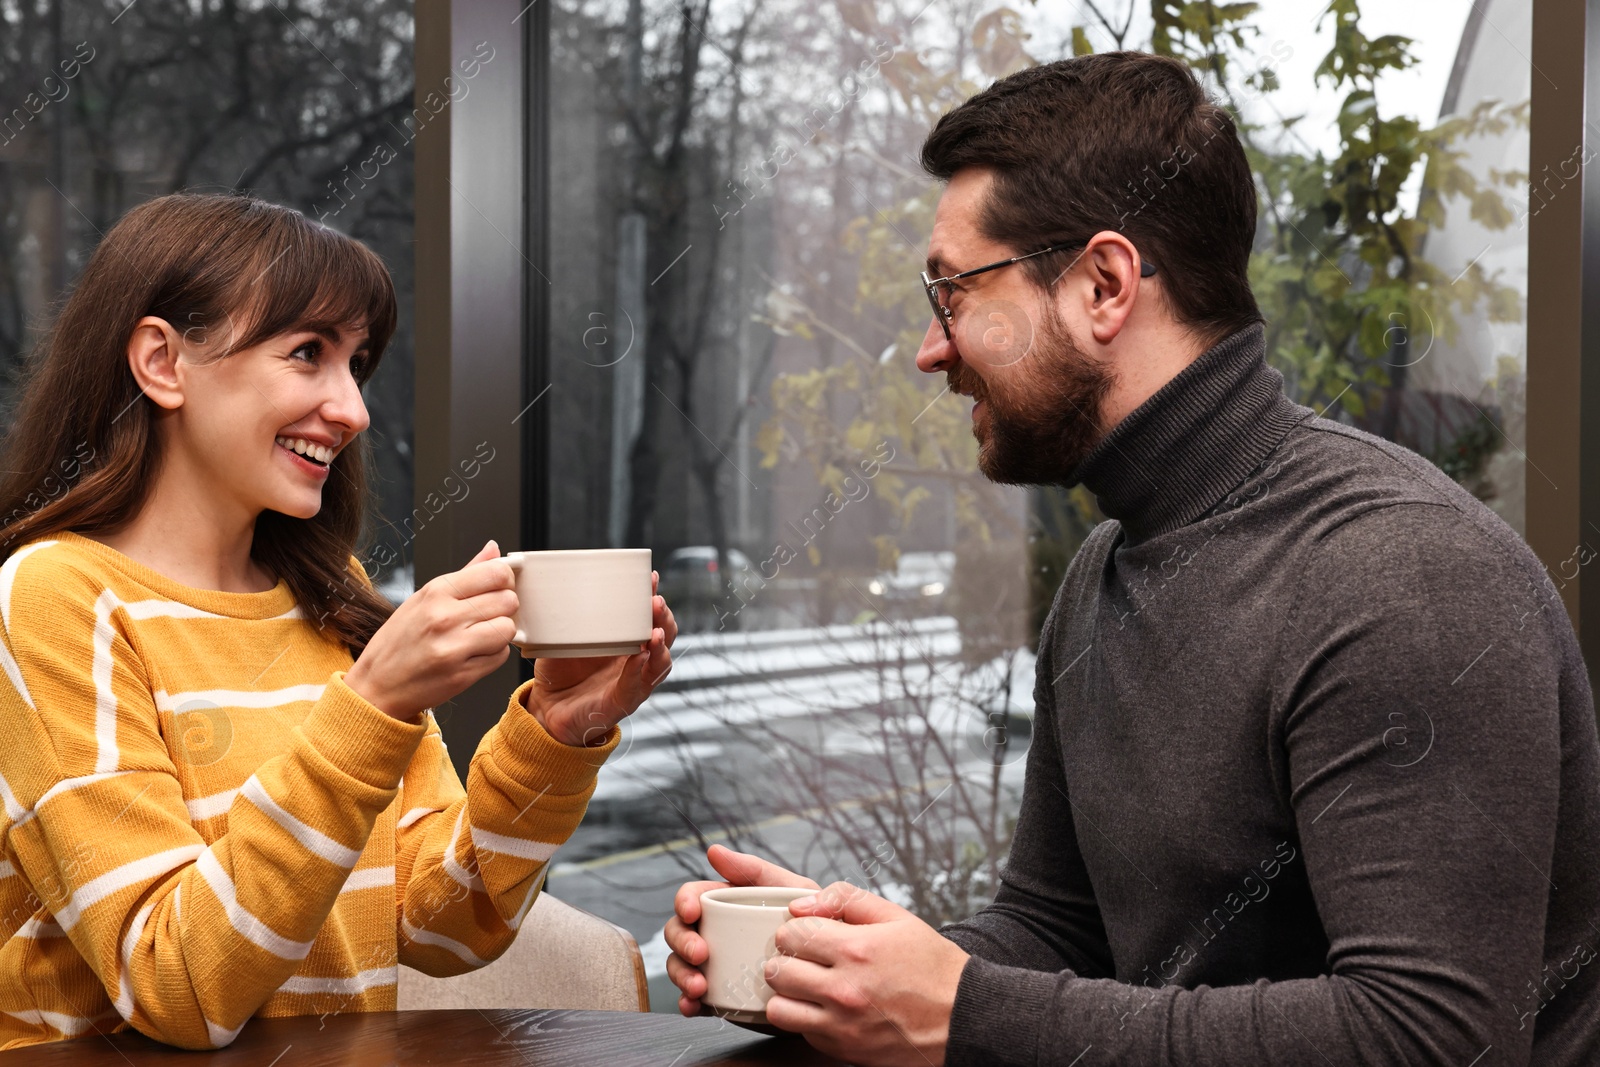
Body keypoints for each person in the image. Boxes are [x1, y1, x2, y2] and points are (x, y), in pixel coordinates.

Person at [664, 51, 1600, 1067]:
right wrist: (832, 971)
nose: (933, 350)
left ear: (1104, 285)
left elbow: (1432, 1040)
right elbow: (1056, 930)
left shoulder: (1401, 576)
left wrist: (962, 1013)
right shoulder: (1107, 569)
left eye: (952, 292)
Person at [0, 193, 677, 1051]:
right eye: (308, 353)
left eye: (357, 363)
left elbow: (444, 927)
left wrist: (554, 734)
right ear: (163, 361)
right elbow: (177, 981)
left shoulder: (328, 592)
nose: (353, 409)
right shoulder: (53, 597)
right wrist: (372, 704)